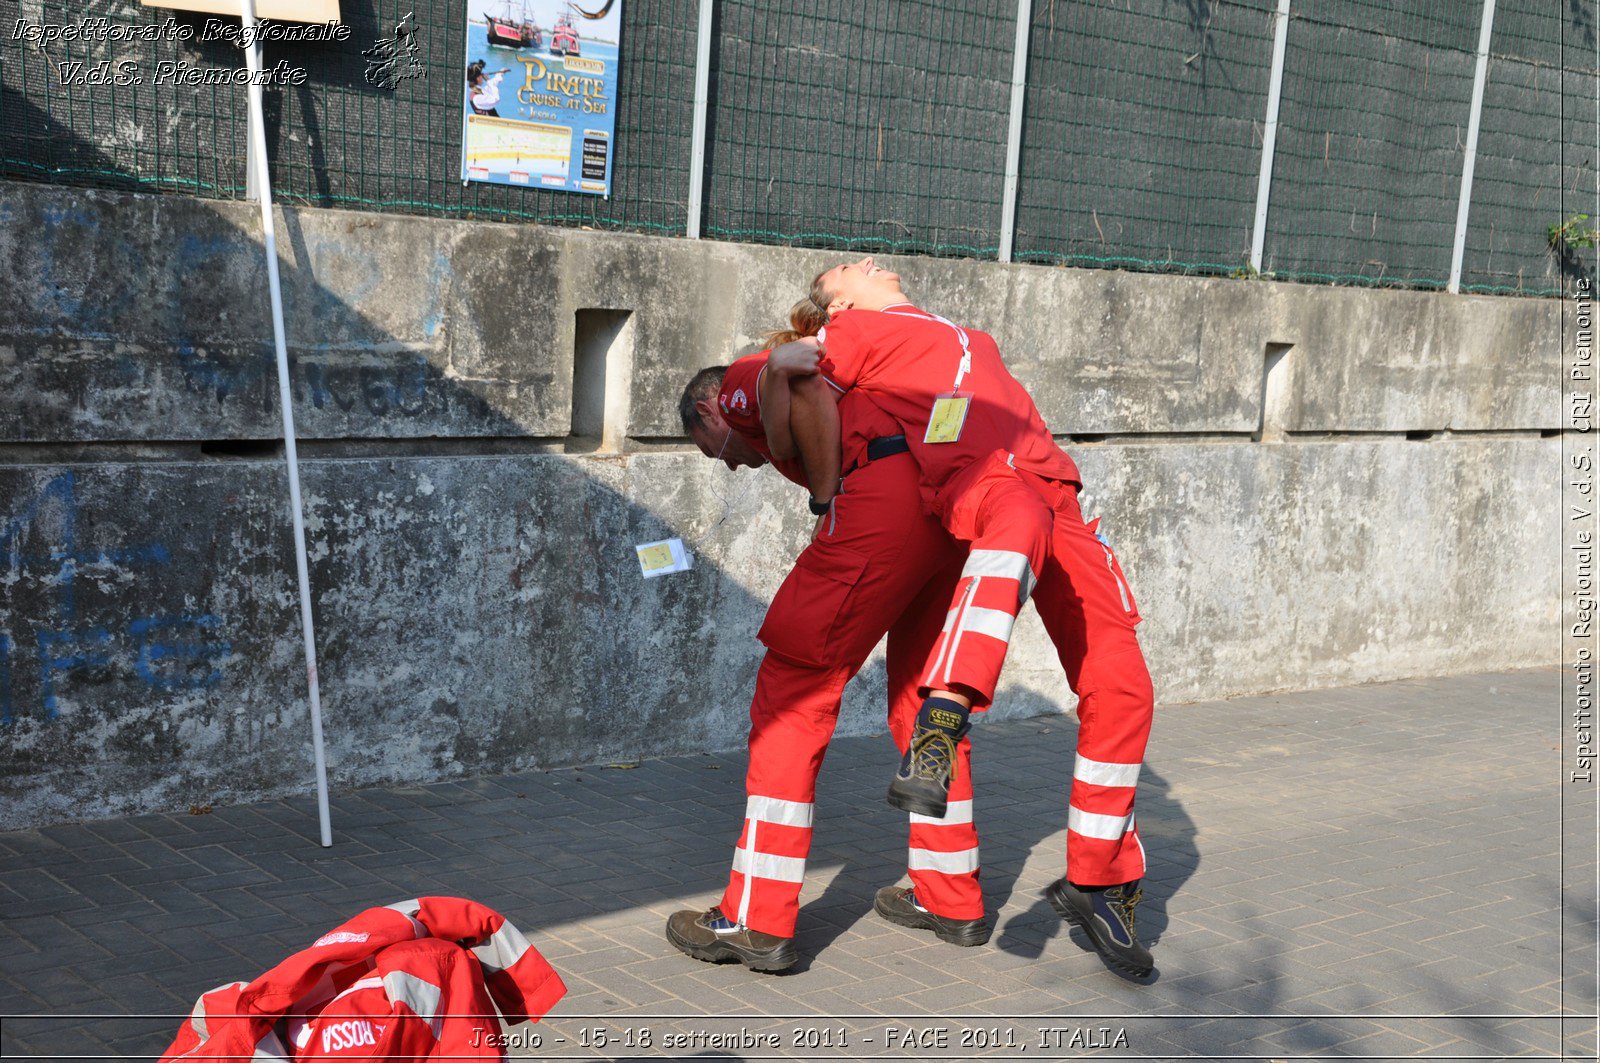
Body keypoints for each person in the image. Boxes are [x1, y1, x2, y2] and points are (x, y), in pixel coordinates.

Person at [782, 258, 1159, 977]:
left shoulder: (960, 331)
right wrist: (822, 484)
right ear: (835, 303)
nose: (867, 260)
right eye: (846, 268)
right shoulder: (852, 332)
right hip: (980, 481)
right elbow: (808, 404)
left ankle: (1098, 879)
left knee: (1125, 683)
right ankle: (947, 712)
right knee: (1010, 530)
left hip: (1058, 490)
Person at [663, 325, 989, 972]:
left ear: (708, 412)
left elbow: (805, 385)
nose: (726, 463)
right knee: (925, 698)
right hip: (939, 509)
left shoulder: (734, 387)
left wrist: (823, 497)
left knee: (791, 696)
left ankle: (755, 917)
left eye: (712, 451)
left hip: (882, 505)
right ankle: (949, 893)